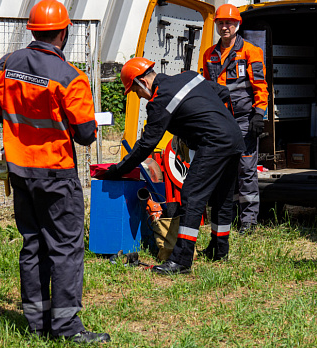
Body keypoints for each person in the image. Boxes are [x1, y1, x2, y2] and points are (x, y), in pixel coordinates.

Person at [0, 0, 108, 343]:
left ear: (33, 30)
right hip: (56, 173)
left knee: (33, 243)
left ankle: (37, 322)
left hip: (20, 171)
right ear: (64, 33)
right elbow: (85, 135)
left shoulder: (5, 65)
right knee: (65, 248)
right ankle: (66, 327)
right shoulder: (71, 77)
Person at [105, 57, 245, 275]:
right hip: (234, 138)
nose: (139, 97)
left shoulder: (160, 100)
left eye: (135, 91)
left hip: (214, 142)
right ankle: (219, 250)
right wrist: (221, 122)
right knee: (222, 196)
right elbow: (223, 93)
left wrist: (118, 170)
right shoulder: (189, 76)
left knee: (192, 195)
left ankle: (181, 260)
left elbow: (146, 145)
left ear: (142, 82)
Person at [201, 3, 268, 235]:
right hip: (220, 120)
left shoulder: (251, 51)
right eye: (221, 23)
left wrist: (259, 115)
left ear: (237, 24)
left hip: (244, 119)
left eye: (229, 22)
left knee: (246, 169)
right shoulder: (209, 54)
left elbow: (260, 86)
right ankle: (226, 217)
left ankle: (248, 221)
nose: (225, 26)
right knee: (222, 169)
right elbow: (207, 88)